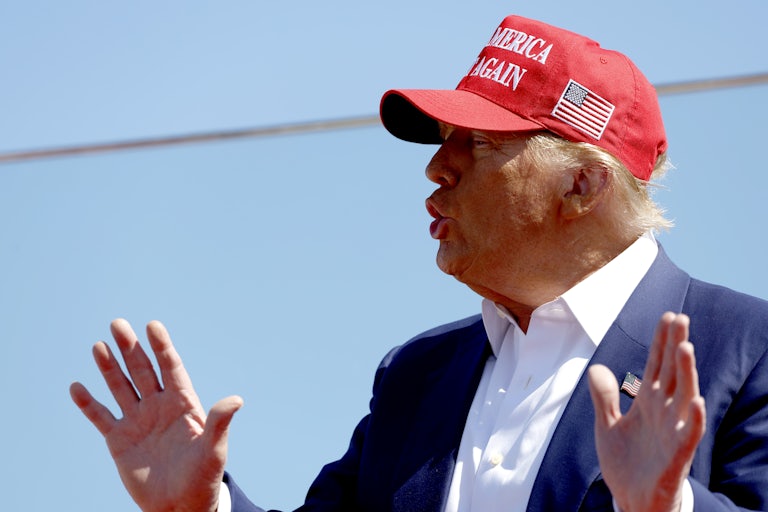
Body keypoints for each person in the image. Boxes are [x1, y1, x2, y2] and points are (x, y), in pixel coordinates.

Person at [70, 14, 768, 512]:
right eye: (443, 140)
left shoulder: (747, 348)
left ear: (581, 185)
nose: (438, 167)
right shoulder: (415, 376)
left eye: (480, 144)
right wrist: (203, 508)